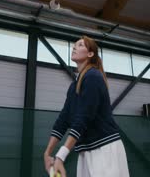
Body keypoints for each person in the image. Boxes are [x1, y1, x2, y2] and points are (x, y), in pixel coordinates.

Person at [43, 36, 130, 177]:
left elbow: (84, 117)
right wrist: (47, 153)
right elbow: (63, 119)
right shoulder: (74, 86)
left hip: (105, 148)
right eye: (75, 44)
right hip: (85, 151)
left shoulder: (93, 76)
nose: (74, 47)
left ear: (90, 54)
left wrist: (61, 156)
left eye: (80, 45)